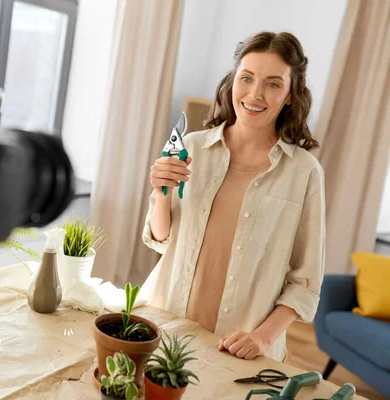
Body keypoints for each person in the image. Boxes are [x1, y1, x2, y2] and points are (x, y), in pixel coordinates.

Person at [140, 31, 325, 363]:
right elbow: (161, 239)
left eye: (272, 84)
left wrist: (261, 339)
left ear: (289, 96)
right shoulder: (192, 147)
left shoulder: (304, 172)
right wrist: (161, 193)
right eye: (247, 78)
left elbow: (306, 283)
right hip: (165, 324)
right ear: (232, 81)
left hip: (242, 349)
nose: (255, 94)